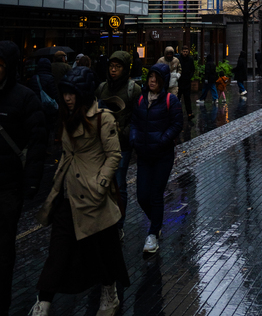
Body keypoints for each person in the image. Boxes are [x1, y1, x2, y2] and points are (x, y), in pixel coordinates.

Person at [32, 66, 128, 316]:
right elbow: (67, 151)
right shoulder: (67, 116)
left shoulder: (102, 117)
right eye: (64, 93)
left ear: (83, 93)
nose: (67, 98)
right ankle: (43, 303)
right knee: (58, 251)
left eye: (72, 93)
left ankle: (110, 293)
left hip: (93, 197)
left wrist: (100, 184)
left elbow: (114, 154)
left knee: (100, 253)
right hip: (67, 194)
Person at [0, 41, 46, 316]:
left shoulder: (25, 98)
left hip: (8, 187)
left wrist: (31, 182)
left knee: (4, 249)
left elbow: (38, 142)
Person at [130, 62, 182, 257]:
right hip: (143, 155)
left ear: (163, 81)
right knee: (142, 195)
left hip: (162, 155)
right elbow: (134, 121)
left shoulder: (171, 100)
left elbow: (177, 124)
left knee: (155, 194)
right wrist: (134, 138)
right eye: (150, 77)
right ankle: (156, 223)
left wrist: (162, 140)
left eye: (156, 78)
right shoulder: (141, 99)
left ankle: (153, 234)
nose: (152, 81)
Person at [95, 51, 141, 235]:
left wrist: (126, 132)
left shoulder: (133, 89)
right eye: (111, 66)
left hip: (122, 145)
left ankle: (119, 225)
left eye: (118, 67)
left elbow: (138, 116)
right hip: (102, 145)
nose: (113, 70)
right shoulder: (102, 88)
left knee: (120, 184)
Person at [178, 45, 196, 119]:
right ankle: (179, 113)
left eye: (186, 51)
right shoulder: (179, 59)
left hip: (186, 81)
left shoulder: (190, 59)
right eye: (184, 51)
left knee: (187, 99)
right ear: (182, 51)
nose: (185, 53)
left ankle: (189, 113)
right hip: (180, 81)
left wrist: (190, 76)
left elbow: (193, 69)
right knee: (178, 98)